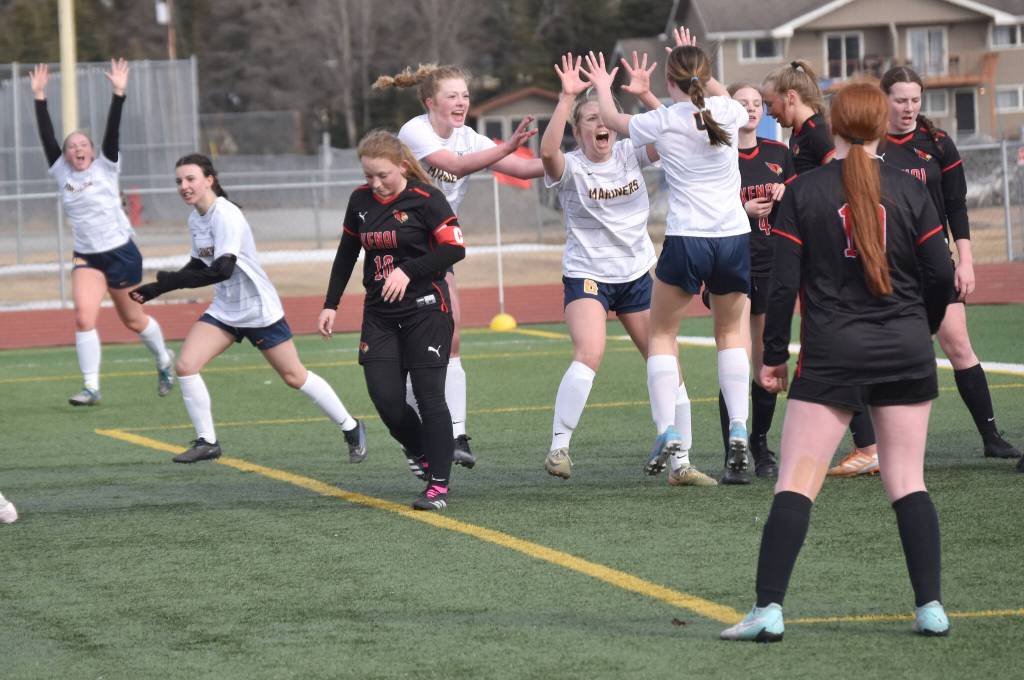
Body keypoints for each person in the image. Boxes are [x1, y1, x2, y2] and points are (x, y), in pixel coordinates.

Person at [720, 82, 955, 642]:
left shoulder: (803, 191)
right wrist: (919, 327)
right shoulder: (910, 188)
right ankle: (931, 608)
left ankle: (768, 610)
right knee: (908, 481)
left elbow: (782, 286)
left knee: (797, 482)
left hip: (832, 352)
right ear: (880, 126)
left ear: (837, 127)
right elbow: (942, 275)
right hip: (906, 348)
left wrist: (772, 357)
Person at [585, 28, 751, 487]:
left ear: (670, 82)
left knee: (661, 335)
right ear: (707, 75)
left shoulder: (663, 120)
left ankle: (669, 430)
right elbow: (715, 96)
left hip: (688, 238)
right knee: (730, 335)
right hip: (734, 237)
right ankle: (738, 428)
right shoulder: (728, 110)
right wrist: (693, 64)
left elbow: (613, 120)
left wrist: (602, 83)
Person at [130, 154, 366, 465]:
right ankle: (207, 442)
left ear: (209, 180)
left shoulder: (226, 215)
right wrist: (158, 288)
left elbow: (222, 270)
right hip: (225, 309)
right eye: (179, 181)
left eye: (190, 179)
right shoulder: (195, 219)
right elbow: (199, 265)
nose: (184, 186)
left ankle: (351, 427)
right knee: (186, 365)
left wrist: (169, 283)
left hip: (258, 310)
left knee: (294, 376)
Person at [374, 64, 544, 469]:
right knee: (410, 352)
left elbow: (524, 168)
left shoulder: (470, 137)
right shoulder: (415, 132)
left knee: (450, 337)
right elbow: (455, 166)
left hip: (436, 250)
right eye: (452, 96)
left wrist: (577, 160)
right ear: (430, 102)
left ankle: (457, 436)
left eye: (465, 95)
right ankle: (418, 442)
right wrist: (506, 147)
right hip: (398, 251)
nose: (461, 102)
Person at [318, 131, 466, 511]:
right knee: (385, 399)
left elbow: (454, 248)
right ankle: (421, 451)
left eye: (382, 175)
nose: (375, 183)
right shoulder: (360, 201)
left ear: (401, 166)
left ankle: (438, 486)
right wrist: (331, 304)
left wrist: (408, 271)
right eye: (368, 175)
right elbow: (347, 253)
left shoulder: (426, 198)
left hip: (426, 310)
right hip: (380, 314)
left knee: (430, 397)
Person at [880, 66, 1020, 461]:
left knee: (959, 345)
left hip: (935, 262)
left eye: (915, 100)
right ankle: (880, 445)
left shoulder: (938, 143)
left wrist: (966, 261)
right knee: (893, 353)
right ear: (884, 99)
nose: (908, 108)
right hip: (888, 265)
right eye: (900, 100)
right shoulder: (871, 143)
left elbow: (956, 207)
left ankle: (991, 437)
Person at [538, 52, 660, 479]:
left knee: (661, 355)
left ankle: (675, 447)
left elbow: (670, 133)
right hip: (588, 273)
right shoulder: (571, 166)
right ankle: (559, 447)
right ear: (579, 131)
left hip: (636, 273)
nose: (599, 124)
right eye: (590, 119)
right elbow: (547, 151)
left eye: (603, 116)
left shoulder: (631, 153)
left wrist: (647, 96)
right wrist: (567, 98)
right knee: (590, 351)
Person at [30, 60, 174, 406]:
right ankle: (91, 387)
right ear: (65, 155)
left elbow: (113, 131)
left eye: (83, 144)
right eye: (71, 146)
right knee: (83, 316)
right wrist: (39, 97)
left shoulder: (106, 167)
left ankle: (163, 359)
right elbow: (47, 136)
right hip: (88, 257)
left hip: (121, 253)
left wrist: (118, 94)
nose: (77, 149)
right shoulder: (61, 172)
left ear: (93, 151)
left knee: (133, 320)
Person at [763, 60, 878, 477]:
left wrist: (792, 190)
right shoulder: (799, 135)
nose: (768, 111)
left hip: (828, 256)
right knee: (835, 353)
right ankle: (868, 444)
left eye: (771, 103)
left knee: (832, 353)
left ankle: (868, 445)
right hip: (815, 251)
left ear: (791, 97)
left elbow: (841, 177)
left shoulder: (817, 133)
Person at [710, 82, 796, 484]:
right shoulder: (718, 153)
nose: (751, 108)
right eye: (742, 102)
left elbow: (801, 203)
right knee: (734, 358)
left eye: (757, 103)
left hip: (770, 266)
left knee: (764, 365)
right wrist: (740, 208)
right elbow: (704, 207)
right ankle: (735, 450)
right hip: (731, 264)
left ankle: (759, 445)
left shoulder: (779, 153)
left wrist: (787, 191)